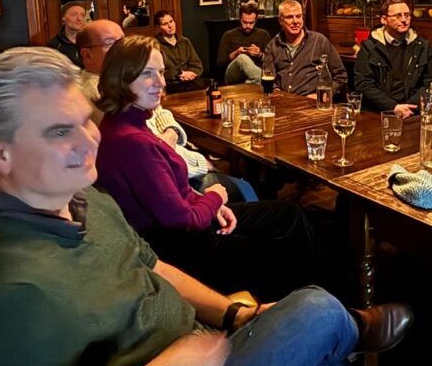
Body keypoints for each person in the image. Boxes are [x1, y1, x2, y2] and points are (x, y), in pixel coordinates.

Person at [0, 46, 413, 366]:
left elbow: (150, 264)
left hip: (197, 357)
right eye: (59, 131)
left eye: (84, 119)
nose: (88, 140)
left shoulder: (83, 198)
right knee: (314, 310)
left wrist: (232, 313)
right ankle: (348, 326)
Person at [96, 37, 314, 300]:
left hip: (183, 226)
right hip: (177, 249)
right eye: (147, 74)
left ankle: (309, 298)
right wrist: (216, 197)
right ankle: (302, 304)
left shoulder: (123, 121)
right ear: (122, 77)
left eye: (162, 72)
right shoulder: (133, 142)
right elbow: (181, 221)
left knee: (287, 214)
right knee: (276, 242)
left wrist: (211, 204)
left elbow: (173, 196)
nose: (161, 82)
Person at [78, 21, 256, 202]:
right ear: (87, 54)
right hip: (178, 178)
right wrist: (201, 163)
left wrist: (171, 132)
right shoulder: (100, 94)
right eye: (111, 43)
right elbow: (151, 157)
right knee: (245, 189)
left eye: (123, 40)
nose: (122, 47)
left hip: (179, 160)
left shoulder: (130, 81)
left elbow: (161, 112)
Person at [354, 0, 432, 119]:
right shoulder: (369, 47)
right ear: (384, 19)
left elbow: (431, 83)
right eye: (398, 16)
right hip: (379, 111)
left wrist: (409, 107)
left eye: (407, 15)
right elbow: (363, 84)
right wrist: (393, 107)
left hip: (413, 111)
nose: (404, 20)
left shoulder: (422, 46)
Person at [263, 0, 346, 98]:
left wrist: (323, 95)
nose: (295, 21)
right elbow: (269, 78)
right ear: (280, 20)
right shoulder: (272, 46)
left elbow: (341, 76)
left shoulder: (319, 41)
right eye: (289, 17)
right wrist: (276, 93)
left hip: (312, 103)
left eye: (298, 16)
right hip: (284, 103)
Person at [217, 2, 271, 84]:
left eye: (251, 23)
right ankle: (259, 80)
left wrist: (259, 54)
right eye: (244, 22)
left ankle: (250, 83)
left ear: (256, 20)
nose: (248, 26)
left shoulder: (263, 34)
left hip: (255, 72)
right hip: (233, 74)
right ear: (239, 19)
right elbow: (220, 63)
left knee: (250, 80)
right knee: (242, 58)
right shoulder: (229, 35)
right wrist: (236, 53)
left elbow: (271, 61)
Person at [153, 10, 203, 91]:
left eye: (171, 21)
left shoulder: (184, 41)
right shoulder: (155, 45)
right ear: (158, 27)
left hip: (190, 83)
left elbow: (197, 65)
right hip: (169, 86)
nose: (170, 26)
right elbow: (156, 72)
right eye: (165, 24)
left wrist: (190, 74)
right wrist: (179, 75)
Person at [47, 1, 88, 68]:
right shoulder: (54, 45)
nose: (79, 19)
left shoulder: (91, 41)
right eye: (74, 15)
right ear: (63, 18)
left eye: (82, 15)